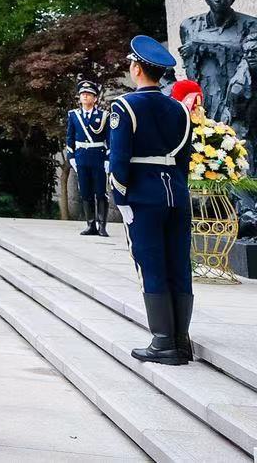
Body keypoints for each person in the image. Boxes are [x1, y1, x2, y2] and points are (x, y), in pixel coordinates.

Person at [109, 35, 195, 365]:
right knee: (179, 263)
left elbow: (120, 158)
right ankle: (181, 339)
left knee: (151, 263)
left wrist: (121, 197)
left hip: (143, 196)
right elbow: (184, 159)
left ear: (136, 69)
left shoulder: (125, 106)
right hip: (176, 193)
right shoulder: (180, 109)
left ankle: (163, 341)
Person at [66, 79, 110, 237]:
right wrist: (71, 156)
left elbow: (109, 139)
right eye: (82, 94)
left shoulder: (104, 116)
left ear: (95, 98)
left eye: (88, 94)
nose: (85, 96)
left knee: (100, 192)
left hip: (98, 157)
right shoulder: (74, 115)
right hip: (81, 157)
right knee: (85, 192)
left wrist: (108, 159)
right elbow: (70, 137)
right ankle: (91, 224)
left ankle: (102, 226)